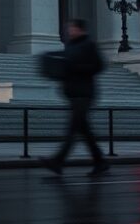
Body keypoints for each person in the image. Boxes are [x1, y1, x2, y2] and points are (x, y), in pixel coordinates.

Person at [40, 19, 108, 176]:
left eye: (72, 29)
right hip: (72, 92)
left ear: (80, 30)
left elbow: (99, 66)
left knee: (73, 129)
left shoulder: (89, 45)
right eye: (69, 29)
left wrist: (77, 68)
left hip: (84, 93)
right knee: (84, 130)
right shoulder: (71, 45)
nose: (70, 31)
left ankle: (57, 161)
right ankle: (100, 162)